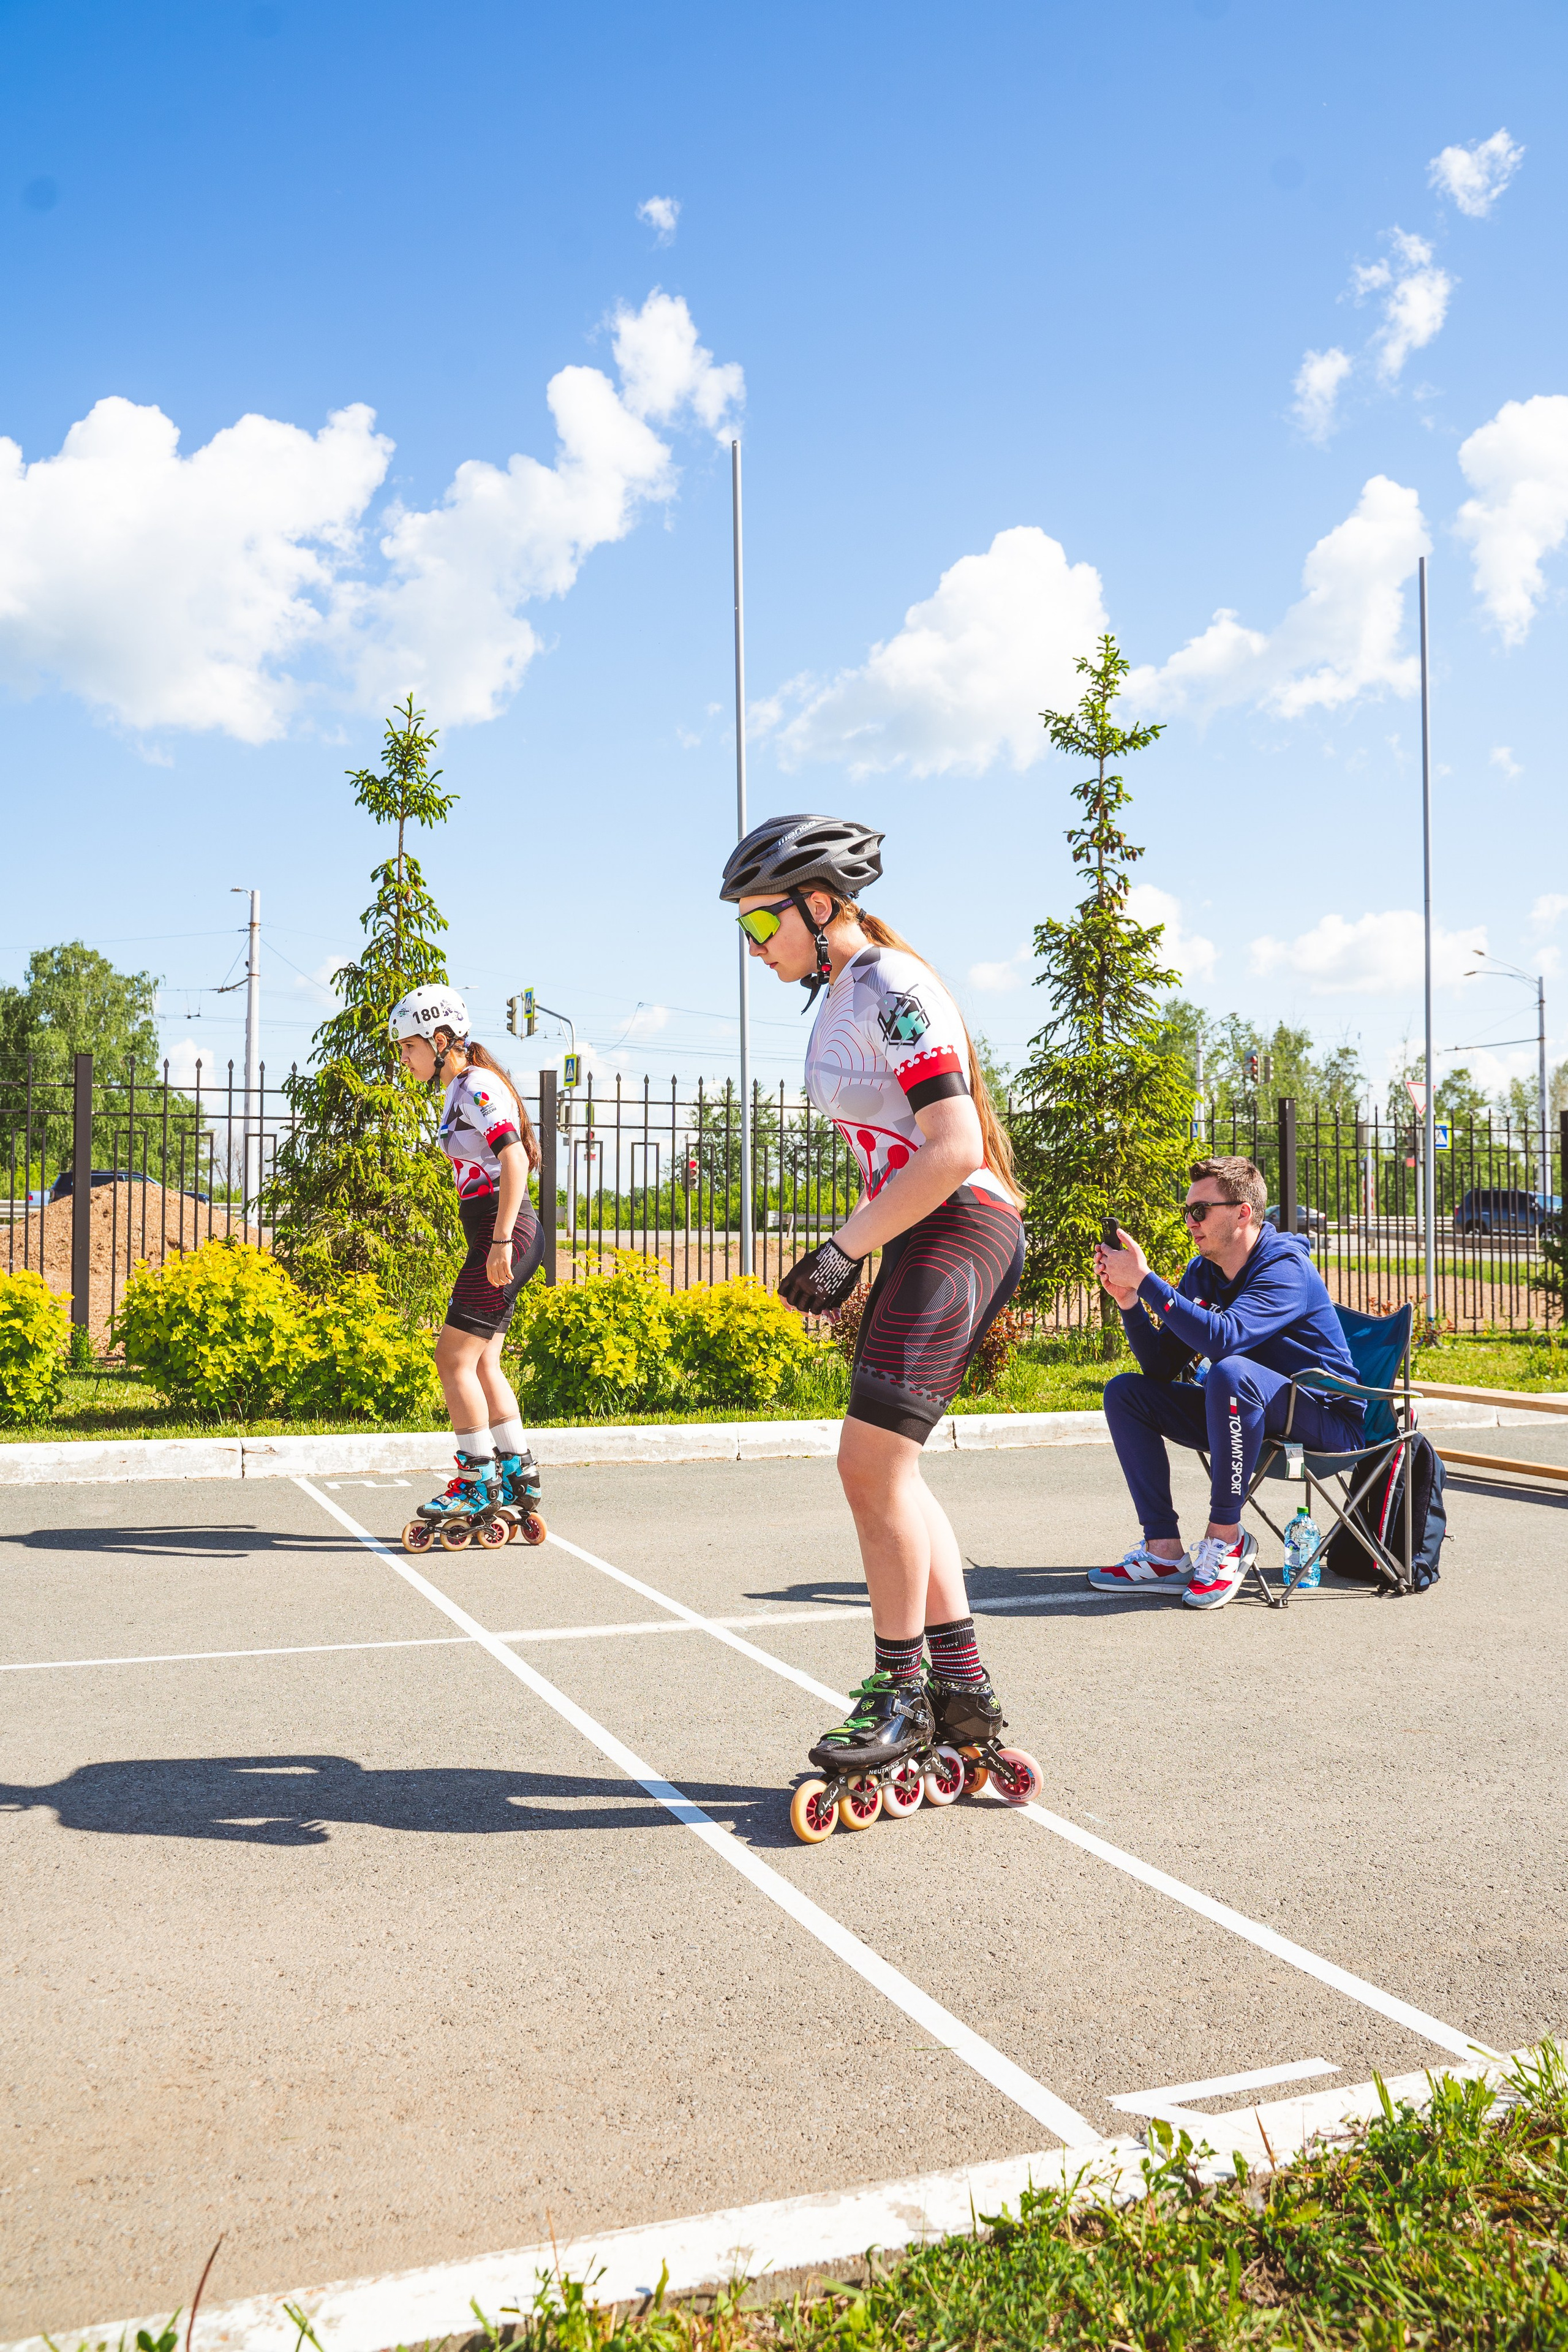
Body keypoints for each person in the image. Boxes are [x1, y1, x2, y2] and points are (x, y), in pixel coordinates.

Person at [722, 813, 1039, 1817]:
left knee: (869, 1465)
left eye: (760, 925)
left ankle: (899, 1694)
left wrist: (843, 1247)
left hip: (960, 1224)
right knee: (892, 1472)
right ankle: (961, 1691)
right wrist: (864, 1238)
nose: (754, 949)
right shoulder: (850, 992)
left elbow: (950, 1147)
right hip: (926, 1232)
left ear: (820, 906)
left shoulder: (894, 989)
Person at [1091, 1155, 1365, 1610]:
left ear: (1243, 1212)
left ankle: (1227, 1538)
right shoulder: (1203, 1271)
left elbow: (1225, 1339)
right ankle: (1163, 1553)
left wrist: (1145, 1277)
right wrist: (1130, 1302)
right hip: (1246, 1413)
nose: (1190, 1221)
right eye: (1187, 1211)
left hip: (1326, 1422)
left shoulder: (1285, 1267)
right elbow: (1160, 1366)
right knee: (1126, 1392)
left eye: (1201, 1211)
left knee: (1231, 1370)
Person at [388, 986, 547, 1544]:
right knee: (484, 1364)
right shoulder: (462, 1086)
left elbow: (515, 1158)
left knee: (452, 1357)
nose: (402, 1060)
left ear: (439, 1040)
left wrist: (500, 1240)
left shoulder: (475, 1085)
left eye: (407, 1047)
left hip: (503, 1232)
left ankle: (475, 1479)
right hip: (500, 1232)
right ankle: (515, 1472)